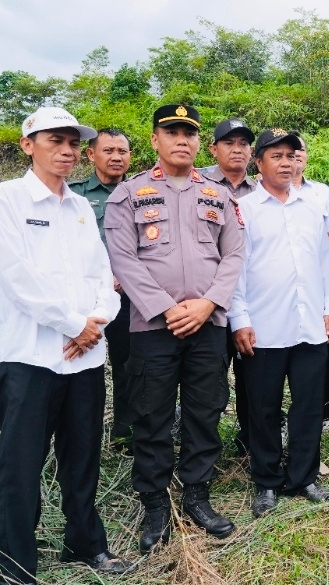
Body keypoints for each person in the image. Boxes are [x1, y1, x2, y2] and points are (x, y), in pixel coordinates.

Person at [105, 104, 245, 553]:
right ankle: (155, 501)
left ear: (199, 141)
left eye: (189, 133)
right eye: (172, 132)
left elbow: (235, 255)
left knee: (205, 411)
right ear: (155, 140)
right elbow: (123, 259)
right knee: (152, 414)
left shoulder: (219, 195)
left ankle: (197, 495)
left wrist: (207, 305)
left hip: (207, 324)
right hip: (152, 326)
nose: (181, 139)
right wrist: (167, 309)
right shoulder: (129, 194)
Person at [0, 109, 132, 583]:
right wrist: (74, 324)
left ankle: (84, 542)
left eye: (74, 143)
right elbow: (17, 278)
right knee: (21, 462)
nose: (67, 150)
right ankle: (15, 560)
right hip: (29, 357)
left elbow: (103, 274)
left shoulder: (79, 207)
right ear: (27, 145)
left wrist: (95, 323)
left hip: (86, 358)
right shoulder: (9, 200)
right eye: (55, 140)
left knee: (82, 456)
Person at [228, 129, 329, 517]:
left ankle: (304, 476)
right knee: (264, 407)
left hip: (309, 322)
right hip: (263, 325)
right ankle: (266, 480)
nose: (286, 163)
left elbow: (324, 263)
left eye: (292, 156)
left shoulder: (312, 207)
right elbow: (235, 269)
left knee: (308, 405)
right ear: (259, 163)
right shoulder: (244, 209)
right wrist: (238, 318)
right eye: (277, 156)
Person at [68, 127, 134, 451]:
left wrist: (123, 278)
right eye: (108, 150)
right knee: (84, 367)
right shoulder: (74, 194)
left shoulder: (141, 193)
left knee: (127, 364)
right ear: (91, 154)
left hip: (126, 296)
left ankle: (124, 433)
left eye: (122, 151)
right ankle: (83, 436)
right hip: (84, 300)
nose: (116, 157)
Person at [200, 118, 258, 454]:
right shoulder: (198, 184)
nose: (237, 150)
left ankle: (252, 442)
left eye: (243, 144)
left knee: (253, 377)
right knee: (211, 380)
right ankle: (209, 451)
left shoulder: (261, 189)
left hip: (252, 301)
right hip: (210, 300)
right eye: (228, 143)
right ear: (213, 149)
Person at [291, 132, 329, 432]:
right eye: (283, 153)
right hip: (276, 289)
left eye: (299, 151)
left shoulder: (322, 192)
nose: (293, 157)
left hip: (316, 281)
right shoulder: (256, 194)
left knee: (321, 350)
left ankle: (325, 411)